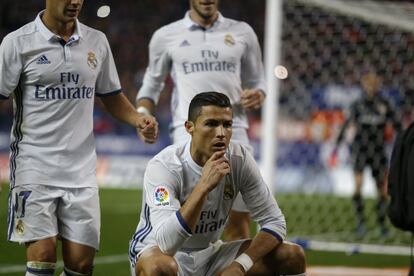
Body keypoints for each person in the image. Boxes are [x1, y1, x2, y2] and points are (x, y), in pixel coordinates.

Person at [0, 1, 158, 275]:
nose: (75, 2)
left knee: (81, 264)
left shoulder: (96, 41)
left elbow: (110, 96)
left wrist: (137, 119)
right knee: (43, 256)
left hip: (81, 170)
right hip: (34, 166)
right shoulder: (18, 43)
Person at [129, 92, 306, 276]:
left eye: (227, 125)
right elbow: (167, 242)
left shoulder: (239, 159)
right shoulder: (164, 166)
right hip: (160, 252)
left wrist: (240, 265)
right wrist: (203, 187)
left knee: (292, 255)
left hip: (210, 254)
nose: (221, 133)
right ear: (189, 127)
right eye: (211, 124)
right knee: (162, 268)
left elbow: (275, 222)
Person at [135, 0, 266, 241]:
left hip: (234, 131)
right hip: (188, 134)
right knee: (190, 218)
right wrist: (142, 114)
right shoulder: (166, 36)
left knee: (238, 219)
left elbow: (258, 81)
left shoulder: (243, 32)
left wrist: (257, 94)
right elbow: (151, 85)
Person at [331, 72, 401, 237]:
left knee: (382, 191)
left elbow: (397, 125)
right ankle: (361, 223)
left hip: (378, 151)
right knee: (357, 187)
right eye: (368, 84)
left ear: (377, 85)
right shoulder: (358, 104)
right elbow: (346, 125)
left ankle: (382, 225)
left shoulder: (384, 105)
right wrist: (336, 147)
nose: (370, 87)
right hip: (360, 150)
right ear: (364, 85)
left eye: (373, 84)